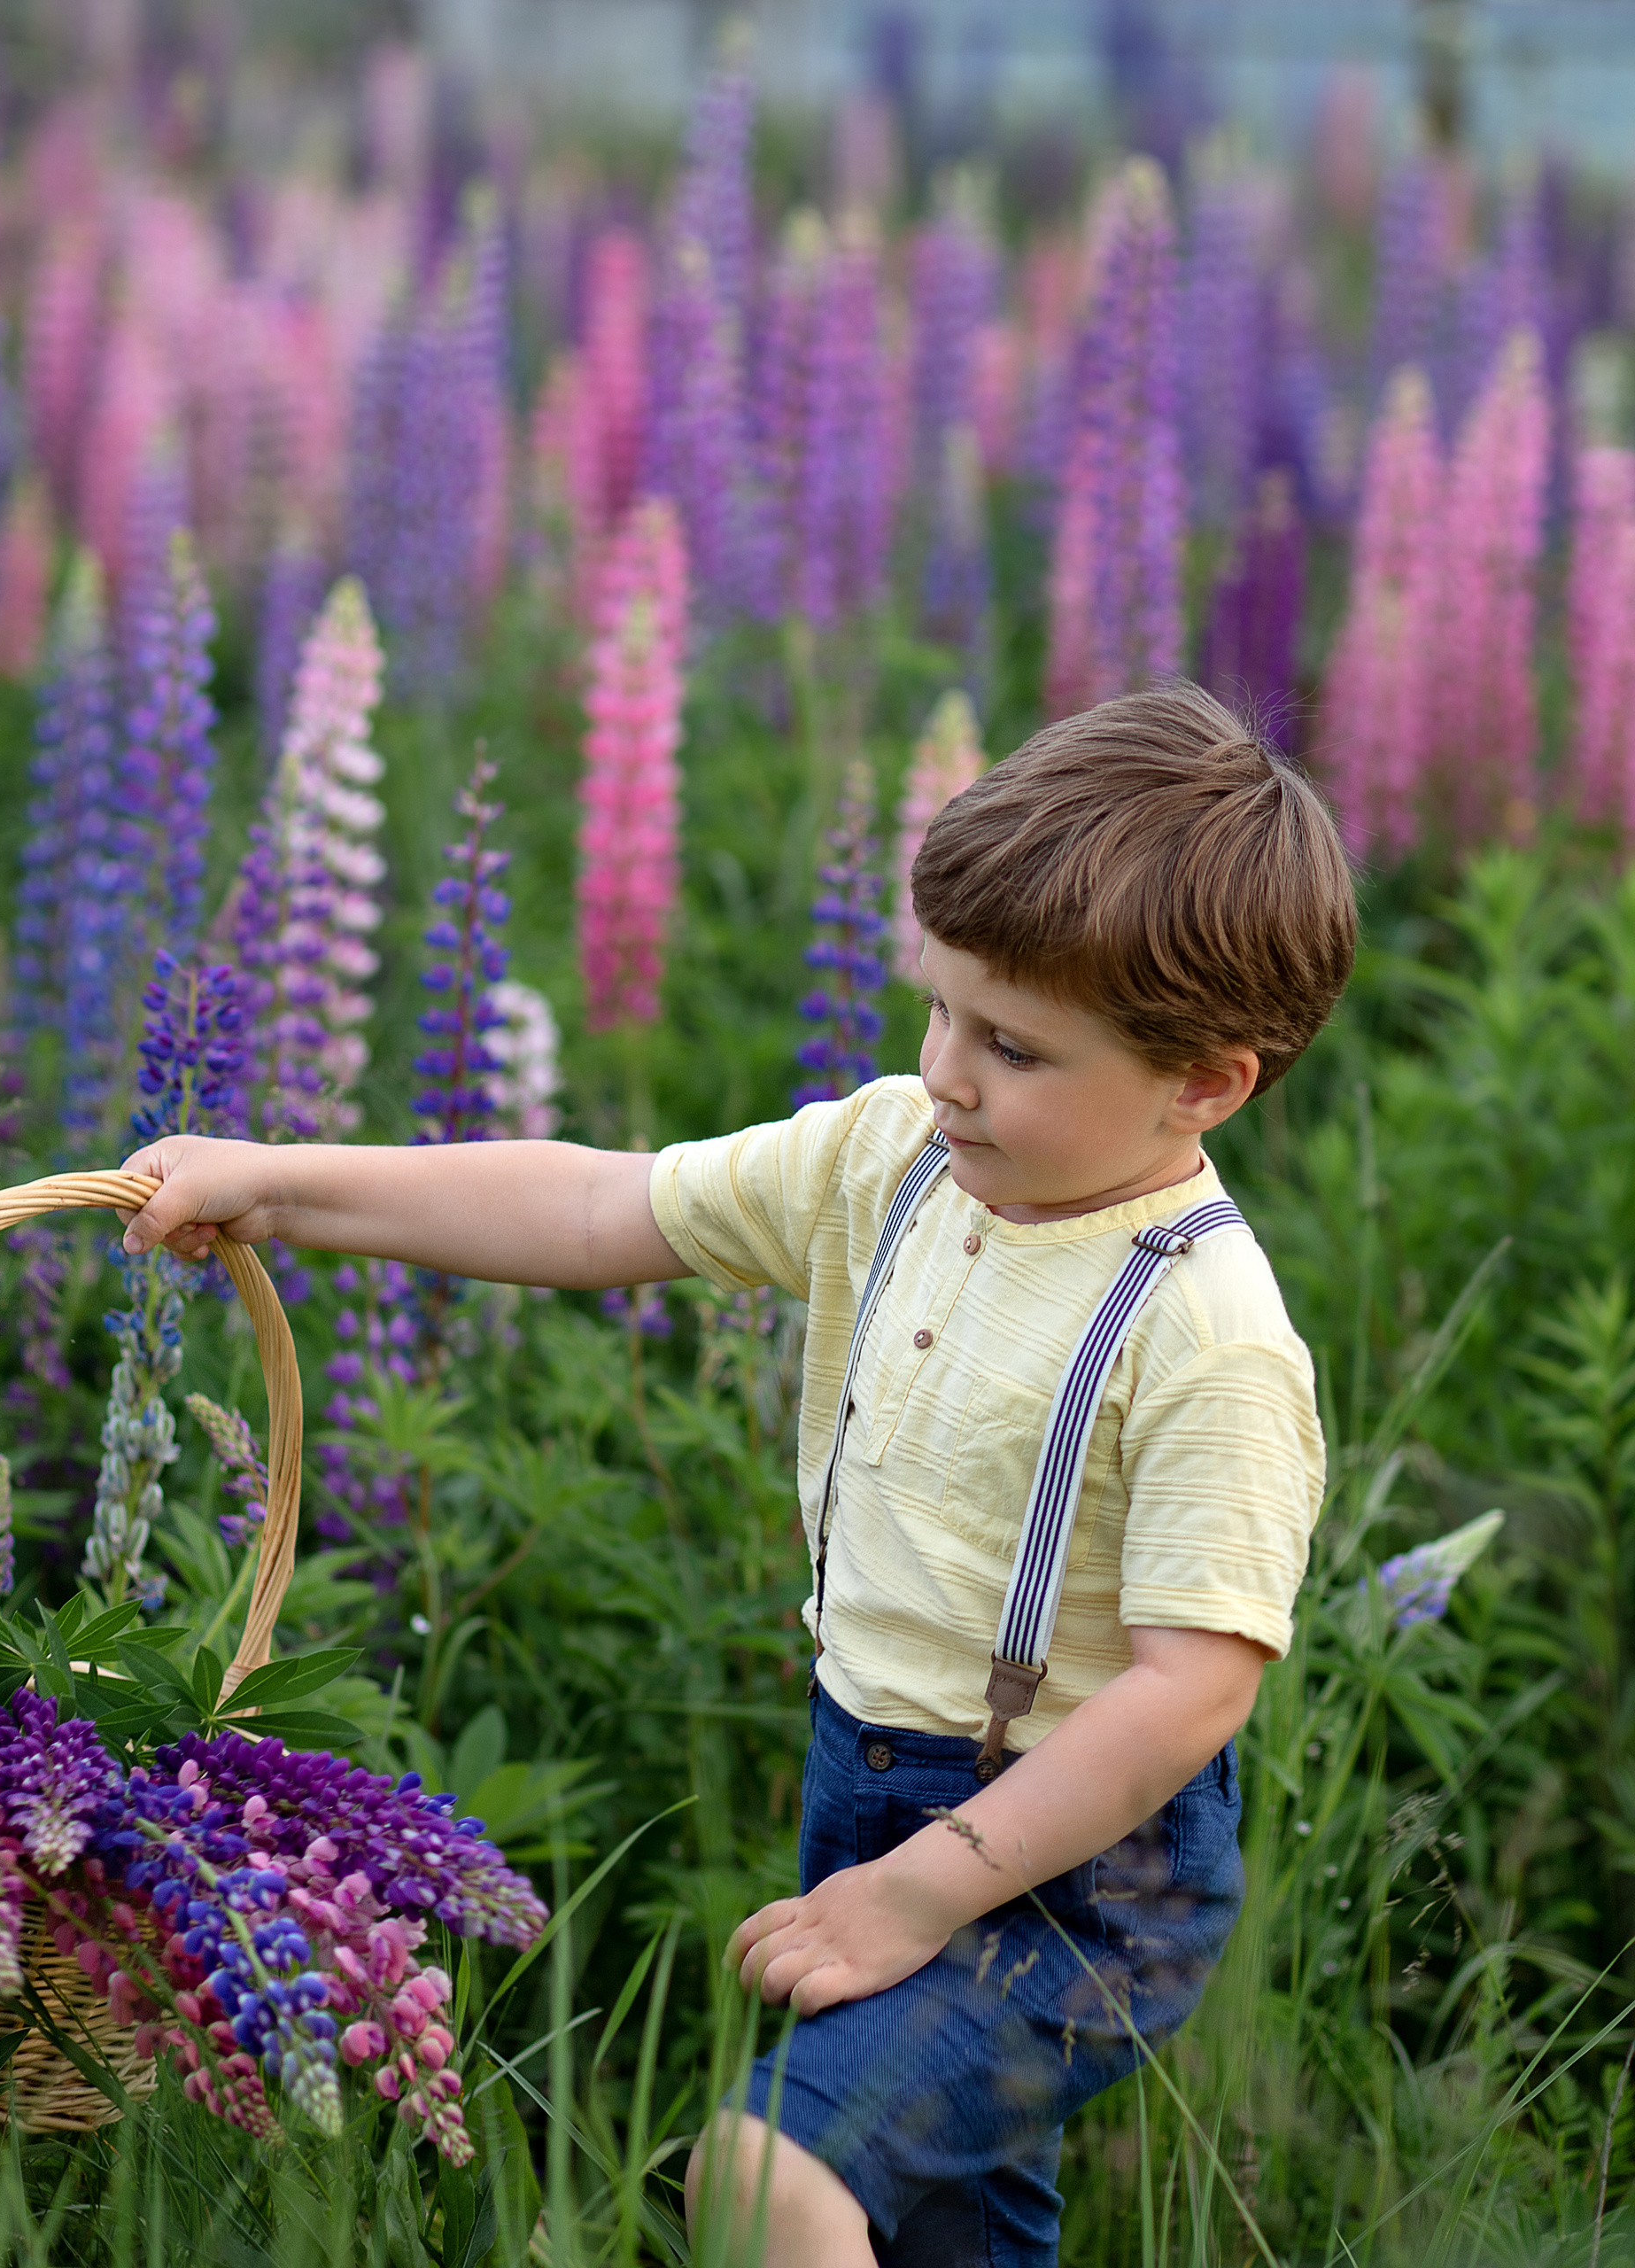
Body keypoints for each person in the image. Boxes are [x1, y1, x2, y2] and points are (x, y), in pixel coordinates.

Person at [118, 680, 1354, 2267]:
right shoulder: (892, 1153)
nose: (951, 1072)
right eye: (942, 1011)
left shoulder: (1207, 1333)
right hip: (871, 1773)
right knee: (947, 2228)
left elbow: (1191, 1691)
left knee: (770, 2175)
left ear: (1206, 1082)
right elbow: (591, 1212)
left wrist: (925, 1892)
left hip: (1076, 1868)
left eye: (1016, 1047)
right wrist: (282, 1183)